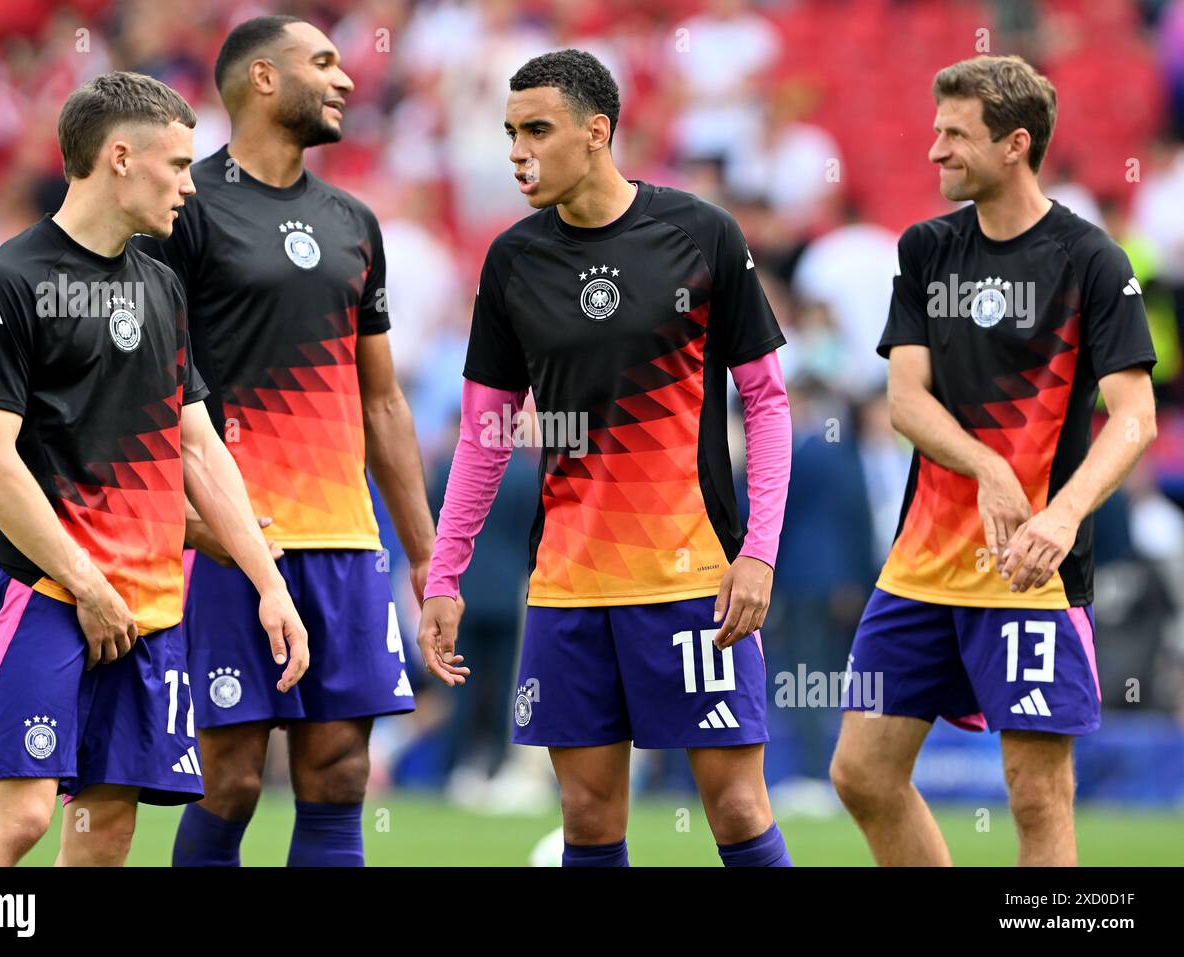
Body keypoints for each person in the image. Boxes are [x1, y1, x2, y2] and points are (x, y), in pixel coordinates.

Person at [417, 50, 794, 867]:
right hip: (567, 587)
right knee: (588, 820)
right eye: (510, 132)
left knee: (734, 808)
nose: (517, 151)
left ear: (597, 132)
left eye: (537, 131)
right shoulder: (512, 261)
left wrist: (758, 552)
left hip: (694, 580)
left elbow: (766, 401)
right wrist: (444, 574)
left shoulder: (700, 235)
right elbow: (486, 432)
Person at [0, 71, 308, 867]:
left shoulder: (162, 287)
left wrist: (267, 581)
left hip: (149, 600)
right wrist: (86, 583)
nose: (190, 184)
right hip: (44, 589)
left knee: (105, 829)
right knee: (21, 816)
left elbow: (200, 446)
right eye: (177, 166)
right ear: (119, 157)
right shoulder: (10, 282)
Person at [829, 55, 1158, 866]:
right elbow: (905, 399)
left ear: (1015, 144)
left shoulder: (1091, 261)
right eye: (934, 130)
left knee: (1036, 794)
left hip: (1032, 574)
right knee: (862, 772)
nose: (934, 150)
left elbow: (1136, 417)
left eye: (954, 134)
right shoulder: (927, 250)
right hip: (920, 566)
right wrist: (989, 465)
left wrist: (1061, 511)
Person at [140, 16, 434, 868]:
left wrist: (425, 553)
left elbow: (381, 403)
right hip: (232, 541)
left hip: (344, 539)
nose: (346, 80)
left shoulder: (354, 221)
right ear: (263, 79)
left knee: (340, 773)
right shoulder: (184, 209)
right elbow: (151, 388)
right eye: (325, 63)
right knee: (228, 778)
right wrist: (182, 520)